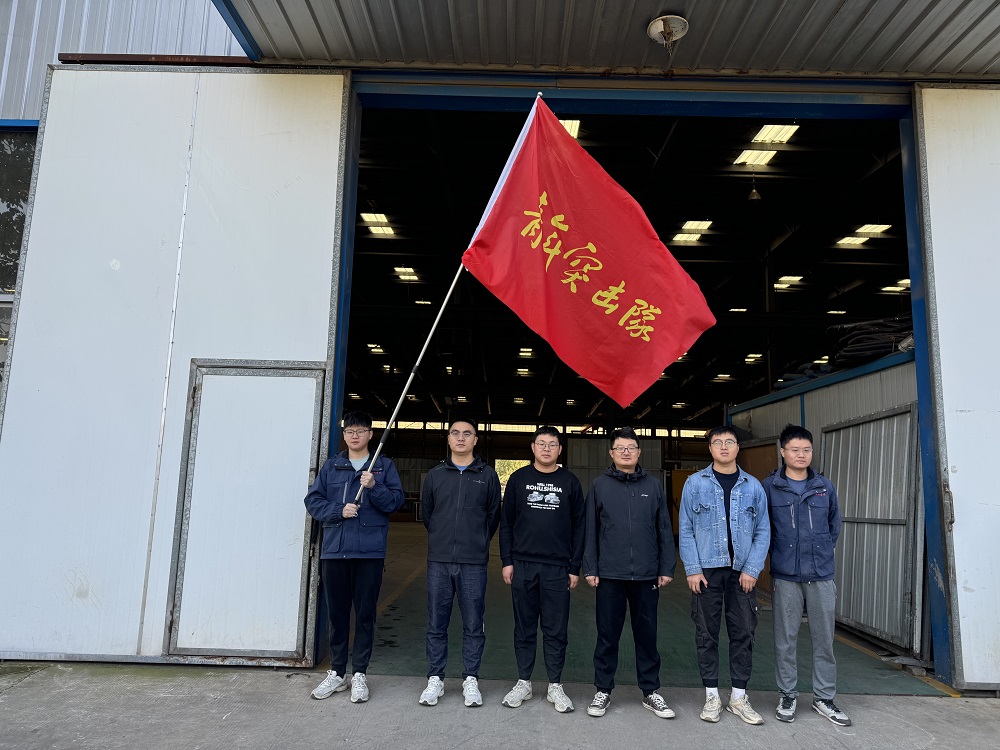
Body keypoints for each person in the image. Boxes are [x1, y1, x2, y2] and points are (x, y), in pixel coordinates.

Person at [304, 411, 405, 703]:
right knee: (337, 614)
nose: (355, 436)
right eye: (350, 432)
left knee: (364, 615)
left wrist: (375, 487)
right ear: (344, 435)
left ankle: (359, 673)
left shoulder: (383, 467)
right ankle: (337, 673)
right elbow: (313, 501)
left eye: (361, 431)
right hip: (335, 552)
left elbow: (395, 503)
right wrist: (339, 510)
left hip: (369, 553)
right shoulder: (331, 466)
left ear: (370, 435)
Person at [582, 426, 676, 719]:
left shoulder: (654, 485)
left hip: (646, 575)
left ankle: (650, 691)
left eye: (631, 447)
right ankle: (603, 690)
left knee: (647, 635)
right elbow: (590, 529)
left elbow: (664, 528)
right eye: (620, 448)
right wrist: (590, 567)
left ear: (639, 452)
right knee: (607, 635)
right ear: (611, 453)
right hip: (610, 574)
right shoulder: (600, 485)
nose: (626, 452)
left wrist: (666, 567)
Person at [679, 427, 770, 725]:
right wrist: (693, 569)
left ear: (738, 447)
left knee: (743, 633)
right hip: (707, 571)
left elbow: (763, 530)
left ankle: (739, 697)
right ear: (710, 448)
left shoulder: (753, 486)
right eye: (717, 442)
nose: (724, 446)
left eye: (729, 442)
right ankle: (712, 696)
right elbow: (686, 528)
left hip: (741, 573)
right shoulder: (695, 483)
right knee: (706, 634)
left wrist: (752, 569)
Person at [762, 424, 851, 727]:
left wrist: (820, 551)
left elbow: (834, 525)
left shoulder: (824, 486)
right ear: (783, 452)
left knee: (824, 639)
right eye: (795, 449)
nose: (801, 455)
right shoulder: (770, 487)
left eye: (806, 450)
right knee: (785, 640)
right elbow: (764, 528)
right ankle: (787, 695)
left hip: (821, 574)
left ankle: (824, 697)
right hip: (786, 575)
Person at [499, 426, 586, 713]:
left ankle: (555, 685)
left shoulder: (570, 482)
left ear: (560, 449)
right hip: (523, 565)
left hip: (558, 567)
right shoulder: (518, 479)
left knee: (555, 629)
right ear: (533, 447)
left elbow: (580, 527)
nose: (546, 448)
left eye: (552, 444)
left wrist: (574, 566)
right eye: (541, 443)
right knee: (524, 627)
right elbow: (506, 522)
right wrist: (507, 560)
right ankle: (523, 682)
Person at [418, 418, 502, 708]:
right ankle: (435, 678)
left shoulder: (487, 476)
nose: (461, 438)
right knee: (436, 623)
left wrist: (477, 541)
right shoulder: (435, 475)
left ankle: (471, 679)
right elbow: (428, 514)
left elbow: (493, 516)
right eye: (455, 433)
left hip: (473, 562)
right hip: (439, 561)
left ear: (476, 440)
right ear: (448, 438)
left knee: (473, 624)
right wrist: (442, 539)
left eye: (467, 433)